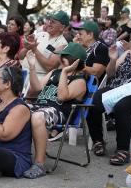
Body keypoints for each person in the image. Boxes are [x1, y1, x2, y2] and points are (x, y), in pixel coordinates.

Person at [23, 42, 88, 179]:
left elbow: (62, 96)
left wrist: (65, 72)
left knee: (38, 117)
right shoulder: (54, 72)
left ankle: (39, 164)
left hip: (58, 111)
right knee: (16, 110)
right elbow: (36, 88)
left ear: (74, 61)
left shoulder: (79, 81)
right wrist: (32, 67)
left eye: (64, 57)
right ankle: (14, 154)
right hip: (39, 106)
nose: (60, 59)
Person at [86, 41, 131, 166]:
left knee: (122, 106)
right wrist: (113, 59)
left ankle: (122, 149)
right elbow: (110, 74)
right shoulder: (126, 54)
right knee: (93, 101)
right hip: (117, 88)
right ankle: (98, 140)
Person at [19, 10, 69, 79]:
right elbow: (21, 56)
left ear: (62, 27)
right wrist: (27, 47)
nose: (49, 24)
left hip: (37, 79)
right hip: (23, 73)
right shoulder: (40, 34)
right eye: (49, 21)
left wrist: (34, 49)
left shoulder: (62, 44)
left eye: (53, 22)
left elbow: (49, 66)